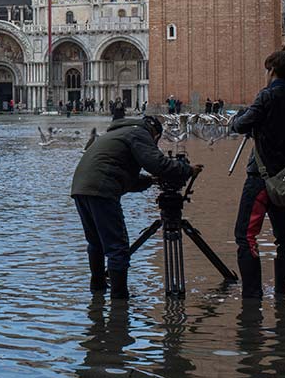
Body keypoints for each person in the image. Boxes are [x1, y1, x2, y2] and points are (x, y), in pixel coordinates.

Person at [70, 115, 200, 299]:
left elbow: (121, 174)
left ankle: (98, 292)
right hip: (102, 190)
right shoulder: (139, 133)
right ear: (155, 134)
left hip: (80, 188)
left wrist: (150, 181)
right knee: (118, 247)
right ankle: (120, 301)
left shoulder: (117, 134)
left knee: (96, 243)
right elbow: (157, 164)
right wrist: (186, 170)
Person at [231, 51, 285, 299]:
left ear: (271, 71)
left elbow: (240, 125)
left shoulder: (267, 96)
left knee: (245, 235)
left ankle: (252, 297)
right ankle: (282, 295)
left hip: (260, 179)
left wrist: (240, 117)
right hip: (284, 180)